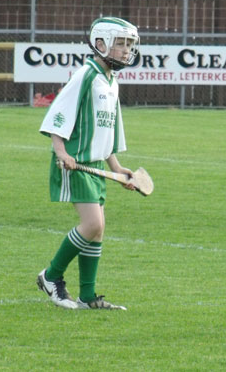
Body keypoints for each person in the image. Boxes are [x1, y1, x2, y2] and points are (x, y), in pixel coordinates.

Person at [37, 16, 140, 310]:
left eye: (129, 44)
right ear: (100, 43)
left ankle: (87, 296)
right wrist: (60, 151)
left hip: (96, 166)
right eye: (121, 43)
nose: (125, 50)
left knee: (98, 229)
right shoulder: (87, 75)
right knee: (91, 224)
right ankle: (51, 276)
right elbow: (60, 112)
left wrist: (117, 167)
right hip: (75, 162)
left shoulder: (110, 80)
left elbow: (105, 130)